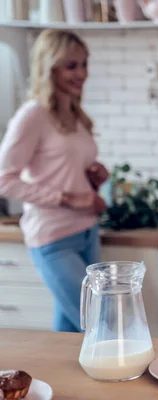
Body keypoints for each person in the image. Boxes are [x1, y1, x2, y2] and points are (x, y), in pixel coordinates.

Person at [0, 29, 108, 333]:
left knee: (70, 330)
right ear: (50, 67)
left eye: (84, 64)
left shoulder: (74, 114)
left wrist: (93, 174)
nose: (82, 73)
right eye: (71, 66)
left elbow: (64, 167)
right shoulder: (32, 114)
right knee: (98, 324)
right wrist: (68, 198)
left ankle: (57, 383)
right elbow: (4, 179)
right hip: (53, 238)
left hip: (87, 231)